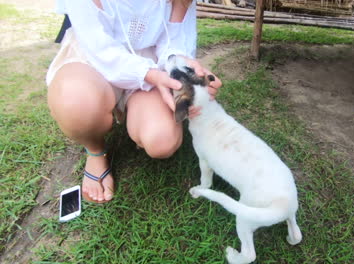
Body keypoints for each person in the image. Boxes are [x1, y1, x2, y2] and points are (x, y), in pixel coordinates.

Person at [46, 0, 222, 203]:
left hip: (150, 57)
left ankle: (133, 109)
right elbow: (99, 48)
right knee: (75, 102)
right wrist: (148, 74)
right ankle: (95, 150)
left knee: (161, 141)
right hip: (93, 56)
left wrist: (181, 66)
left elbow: (172, 41)